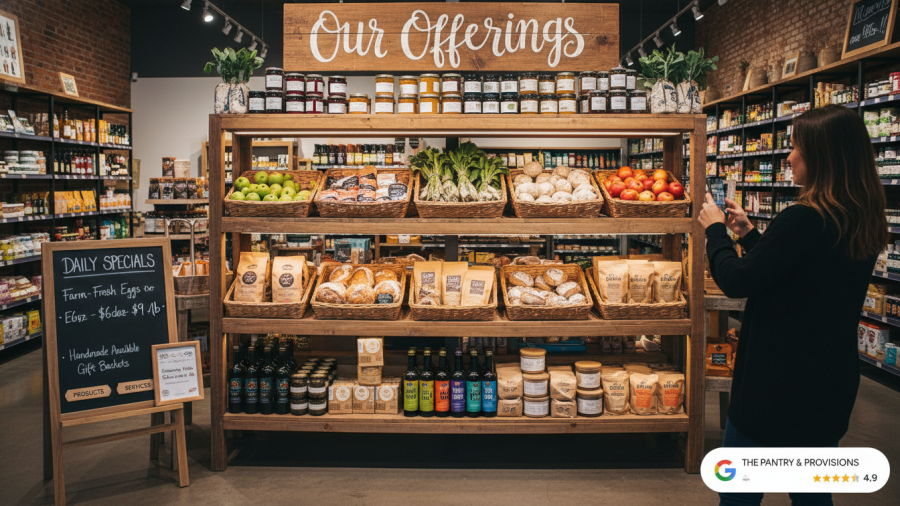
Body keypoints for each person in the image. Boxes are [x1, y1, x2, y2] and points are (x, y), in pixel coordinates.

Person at [698, 104, 888, 506]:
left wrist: (715, 232)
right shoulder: (861, 217)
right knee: (813, 497)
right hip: (826, 384)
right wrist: (750, 236)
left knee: (738, 497)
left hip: (774, 385)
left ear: (821, 156)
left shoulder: (804, 218)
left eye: (796, 147)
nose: (788, 157)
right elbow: (801, 278)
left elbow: (736, 282)